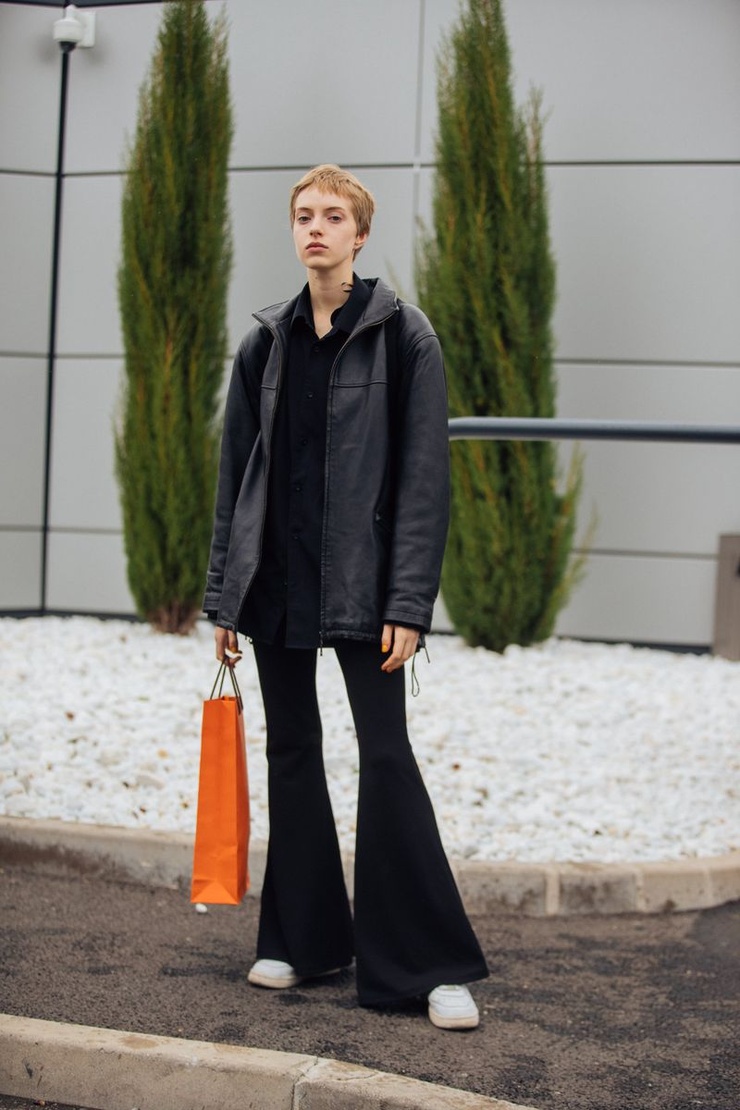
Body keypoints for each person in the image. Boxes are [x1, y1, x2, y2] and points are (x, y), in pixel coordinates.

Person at [203, 164, 488, 1030]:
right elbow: (236, 479)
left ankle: (428, 966)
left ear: (360, 235)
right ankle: (305, 940)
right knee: (292, 750)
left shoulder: (404, 336)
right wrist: (225, 598)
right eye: (304, 215)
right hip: (276, 583)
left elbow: (424, 481)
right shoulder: (265, 343)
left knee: (386, 755)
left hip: (368, 586)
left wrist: (409, 602)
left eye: (333, 216)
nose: (316, 228)